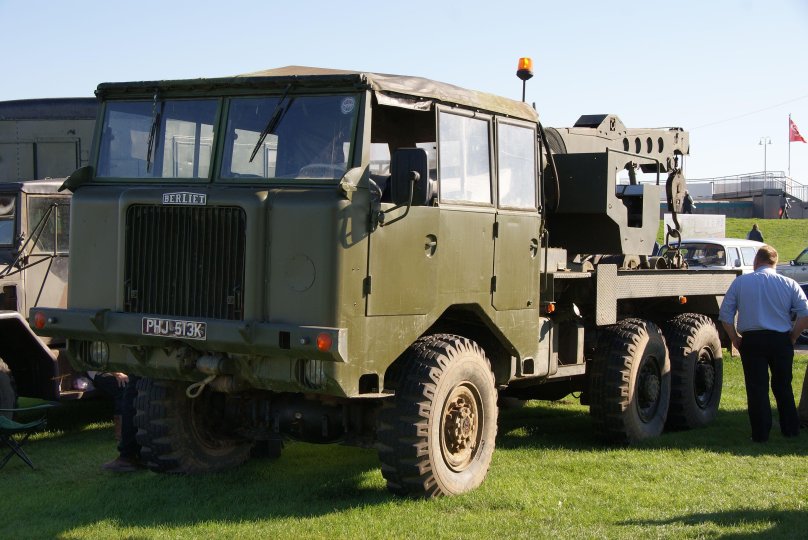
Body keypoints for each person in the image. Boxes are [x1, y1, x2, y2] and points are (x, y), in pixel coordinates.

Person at [719, 245, 808, 442]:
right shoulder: (789, 283)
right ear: (775, 263)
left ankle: (760, 434)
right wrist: (793, 336)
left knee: (757, 388)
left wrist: (734, 338)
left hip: (752, 340)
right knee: (783, 385)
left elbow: (725, 314)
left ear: (756, 261)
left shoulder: (741, 283)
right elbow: (805, 314)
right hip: (780, 339)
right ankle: (790, 429)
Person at [89, 371, 143, 472]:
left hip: (130, 371)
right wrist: (117, 373)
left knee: (132, 391)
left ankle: (129, 454)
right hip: (104, 372)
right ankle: (129, 452)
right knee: (126, 391)